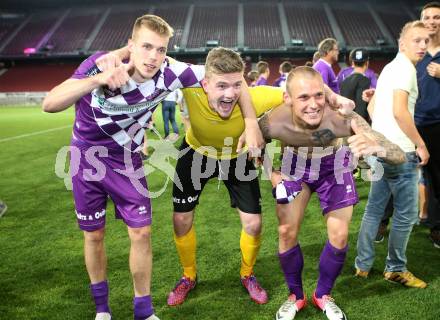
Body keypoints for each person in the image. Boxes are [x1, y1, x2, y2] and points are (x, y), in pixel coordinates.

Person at [42, 14, 262, 320]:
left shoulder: (172, 72)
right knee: (93, 236)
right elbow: (50, 103)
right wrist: (96, 80)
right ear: (130, 45)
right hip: (86, 159)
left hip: (127, 161)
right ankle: (102, 310)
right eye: (146, 47)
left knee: (142, 234)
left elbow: (232, 80)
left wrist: (251, 123)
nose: (153, 56)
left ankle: (143, 311)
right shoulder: (100, 64)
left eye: (161, 49)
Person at [166, 48, 356, 308]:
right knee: (181, 219)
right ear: (206, 83)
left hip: (237, 156)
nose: (230, 93)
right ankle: (188, 275)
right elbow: (156, 63)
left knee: (254, 225)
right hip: (196, 152)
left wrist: (334, 97)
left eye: (236, 85)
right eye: (221, 85)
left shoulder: (260, 95)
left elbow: (304, 86)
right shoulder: (190, 87)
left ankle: (247, 274)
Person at [257, 66, 405, 320]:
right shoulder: (273, 120)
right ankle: (296, 296)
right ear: (287, 99)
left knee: (339, 234)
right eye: (303, 97)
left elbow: (399, 156)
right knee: (286, 231)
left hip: (334, 167)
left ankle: (323, 294)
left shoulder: (341, 117)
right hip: (294, 166)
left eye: (318, 95)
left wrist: (376, 147)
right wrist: (273, 176)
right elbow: (256, 144)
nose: (313, 104)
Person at [354, 21, 430, 288]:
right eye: (416, 40)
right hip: (400, 151)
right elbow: (400, 112)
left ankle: (362, 266)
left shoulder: (388, 68)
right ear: (402, 43)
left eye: (425, 40)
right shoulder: (406, 70)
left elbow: (374, 108)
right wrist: (419, 144)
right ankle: (395, 268)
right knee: (406, 214)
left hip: (380, 149)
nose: (422, 45)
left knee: (374, 210)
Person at [415, 1, 440, 248]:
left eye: (437, 17)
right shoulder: (415, 52)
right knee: (394, 173)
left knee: (436, 177)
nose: (432, 21)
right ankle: (382, 222)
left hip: (438, 125)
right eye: (427, 17)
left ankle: (435, 226)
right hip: (413, 124)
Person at [340, 48, 371, 123]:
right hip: (357, 125)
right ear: (367, 63)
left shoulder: (344, 81)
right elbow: (361, 108)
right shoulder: (364, 80)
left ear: (353, 63)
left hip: (345, 122)